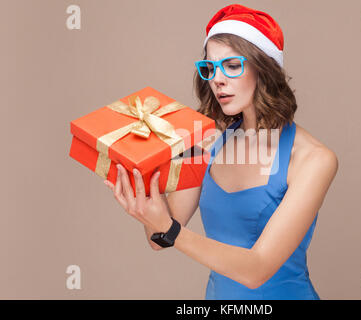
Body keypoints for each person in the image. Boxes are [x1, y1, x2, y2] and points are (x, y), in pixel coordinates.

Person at [104, 4, 338, 300]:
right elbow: (159, 239)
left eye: (231, 65)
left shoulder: (313, 159)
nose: (217, 79)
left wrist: (168, 229)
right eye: (211, 68)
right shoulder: (206, 142)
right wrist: (146, 196)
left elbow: (257, 269)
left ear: (263, 67)